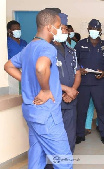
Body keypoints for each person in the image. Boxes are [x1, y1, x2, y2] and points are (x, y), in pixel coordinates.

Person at [4, 9, 73, 169]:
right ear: (49, 27)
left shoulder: (28, 47)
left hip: (31, 112)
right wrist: (45, 90)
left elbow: (8, 66)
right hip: (47, 115)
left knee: (37, 156)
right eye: (58, 26)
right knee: (64, 162)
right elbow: (41, 67)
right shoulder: (47, 48)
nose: (60, 29)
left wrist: (28, 80)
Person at [75, 19, 104, 145]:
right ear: (88, 29)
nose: (94, 31)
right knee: (81, 109)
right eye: (92, 28)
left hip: (99, 83)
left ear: (100, 31)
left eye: (96, 29)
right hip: (83, 82)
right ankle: (80, 134)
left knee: (101, 109)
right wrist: (79, 70)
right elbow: (73, 63)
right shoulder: (80, 44)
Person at [51, 13, 81, 154]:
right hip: (54, 101)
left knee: (70, 136)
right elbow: (44, 77)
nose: (65, 32)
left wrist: (72, 90)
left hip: (70, 101)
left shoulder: (71, 51)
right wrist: (66, 90)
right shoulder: (47, 50)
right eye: (62, 28)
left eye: (66, 29)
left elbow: (78, 73)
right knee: (54, 137)